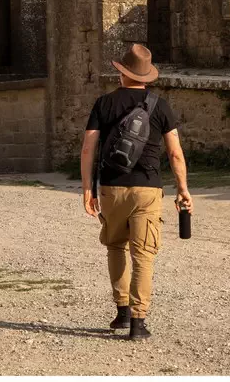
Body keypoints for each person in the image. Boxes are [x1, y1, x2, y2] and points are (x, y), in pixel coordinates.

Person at [79, 43, 192, 341]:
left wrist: (87, 189)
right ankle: (139, 324)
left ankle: (122, 312)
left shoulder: (104, 103)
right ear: (146, 76)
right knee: (143, 255)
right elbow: (175, 153)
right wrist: (183, 189)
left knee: (116, 247)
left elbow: (88, 148)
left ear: (122, 73)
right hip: (148, 189)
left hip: (112, 188)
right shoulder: (160, 106)